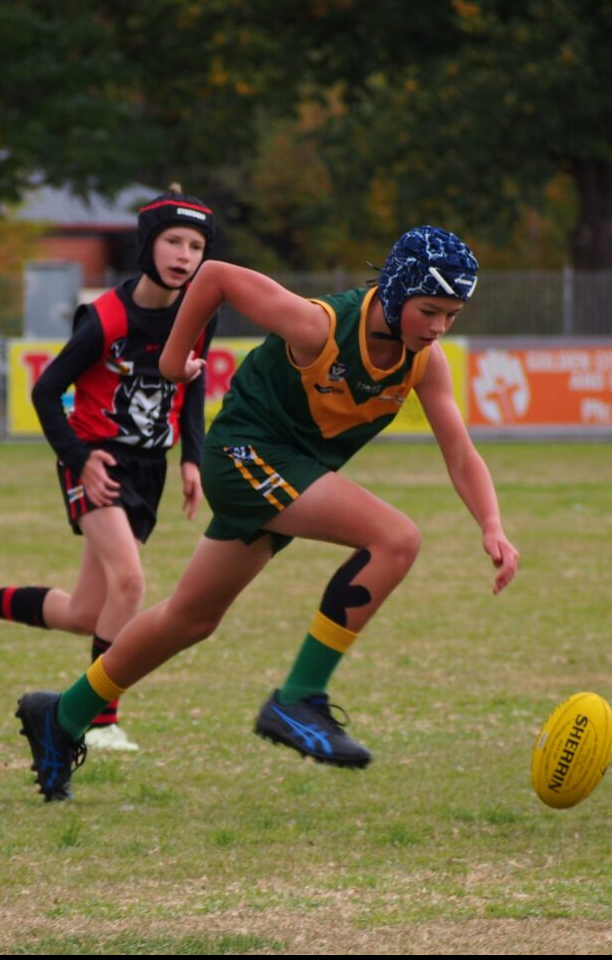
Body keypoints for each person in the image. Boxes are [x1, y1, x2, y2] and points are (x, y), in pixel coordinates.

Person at [16, 225, 519, 801]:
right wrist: (174, 362)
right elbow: (216, 277)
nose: (438, 328)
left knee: (189, 619)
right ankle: (298, 698)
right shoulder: (319, 326)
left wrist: (492, 524)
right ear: (398, 289)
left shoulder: (424, 362)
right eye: (429, 311)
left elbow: (461, 453)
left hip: (286, 472)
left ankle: (62, 716)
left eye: (451, 316)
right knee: (396, 539)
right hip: (243, 455)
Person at [5, 185, 217, 753]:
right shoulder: (104, 319)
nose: (184, 255)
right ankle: (97, 722)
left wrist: (192, 458)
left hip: (149, 468)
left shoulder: (198, 314)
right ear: (147, 245)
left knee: (85, 612)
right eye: (173, 241)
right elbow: (45, 392)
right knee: (130, 583)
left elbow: (193, 385)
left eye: (196, 246)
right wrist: (79, 459)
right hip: (95, 460)